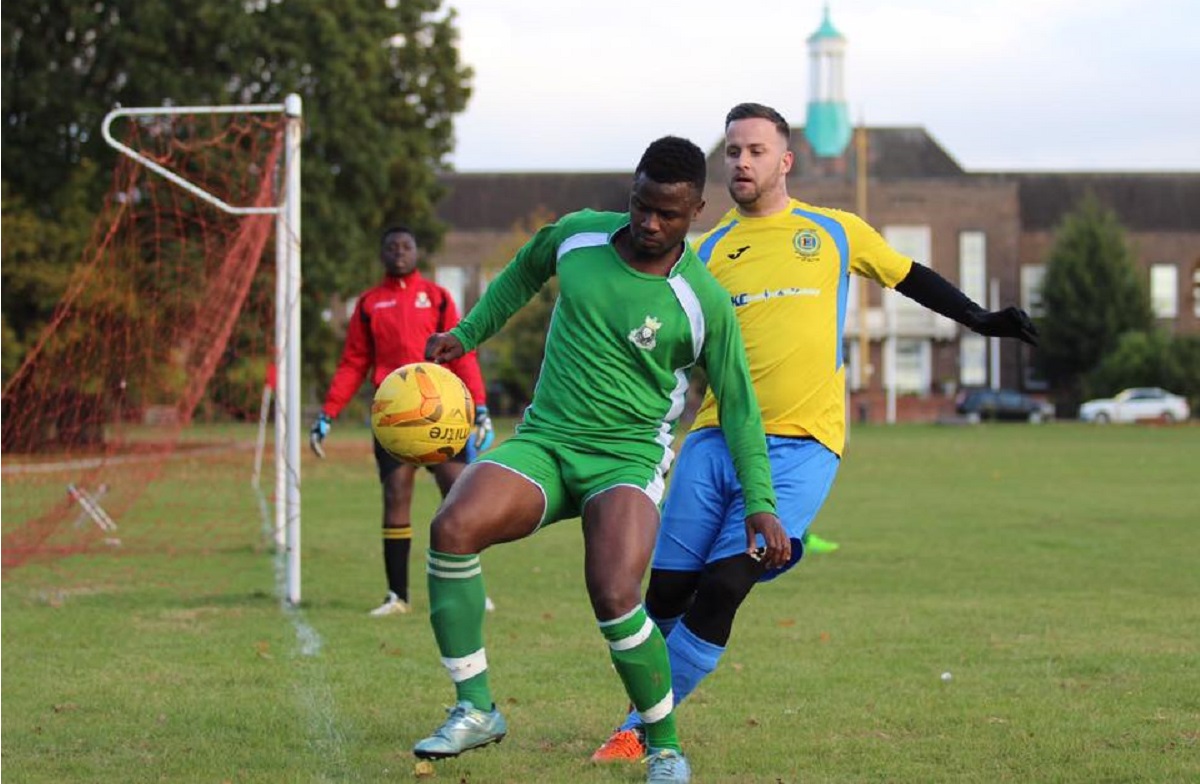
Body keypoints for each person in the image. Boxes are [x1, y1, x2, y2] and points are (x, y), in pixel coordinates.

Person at [592, 102, 1039, 761]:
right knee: (664, 594)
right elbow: (661, 340)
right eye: (732, 152)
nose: (741, 161)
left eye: (754, 150)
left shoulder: (834, 233)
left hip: (803, 446)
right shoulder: (707, 252)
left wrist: (979, 318)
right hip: (714, 441)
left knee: (723, 588)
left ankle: (637, 730)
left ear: (785, 161)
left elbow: (909, 276)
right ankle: (643, 708)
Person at [411, 136, 785, 784]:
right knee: (451, 527)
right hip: (546, 441)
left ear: (695, 209)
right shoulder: (578, 238)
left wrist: (761, 504)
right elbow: (525, 272)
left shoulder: (703, 301)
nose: (648, 222)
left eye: (666, 213)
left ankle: (662, 745)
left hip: (626, 458)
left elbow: (742, 408)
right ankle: (475, 708)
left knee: (614, 593)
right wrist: (467, 333)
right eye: (640, 205)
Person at [309, 226, 494, 617]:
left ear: (417, 253)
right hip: (393, 418)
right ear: (382, 255)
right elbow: (354, 362)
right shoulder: (369, 304)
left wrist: (479, 405)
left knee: (462, 498)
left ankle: (473, 590)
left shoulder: (438, 298)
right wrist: (328, 413)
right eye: (391, 247)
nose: (399, 252)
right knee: (396, 497)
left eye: (406, 246)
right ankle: (397, 596)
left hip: (442, 412)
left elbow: (462, 354)